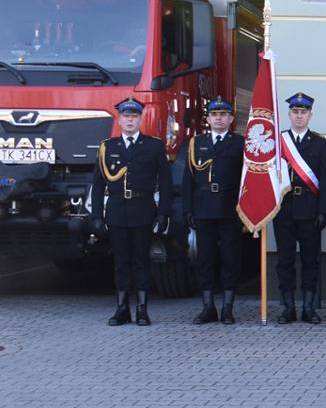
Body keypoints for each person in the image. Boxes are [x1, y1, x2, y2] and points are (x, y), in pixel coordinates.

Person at [93, 97, 171, 326]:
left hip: (143, 209)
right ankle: (122, 308)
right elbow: (98, 184)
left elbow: (165, 183)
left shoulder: (153, 146)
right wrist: (97, 215)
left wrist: (163, 213)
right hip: (117, 210)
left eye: (134, 117)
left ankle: (143, 309)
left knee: (141, 261)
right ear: (119, 119)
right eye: (126, 117)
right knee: (121, 262)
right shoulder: (108, 146)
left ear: (140, 119)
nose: (129, 121)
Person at [178, 97, 243, 325]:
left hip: (229, 207)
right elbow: (189, 179)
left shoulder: (240, 144)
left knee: (230, 258)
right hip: (203, 206)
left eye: (223, 114)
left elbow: (247, 180)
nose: (218, 118)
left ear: (231, 119)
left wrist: (244, 209)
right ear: (207, 119)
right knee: (204, 259)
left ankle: (227, 308)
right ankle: (208, 307)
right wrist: (188, 209)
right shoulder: (197, 143)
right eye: (214, 114)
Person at [274, 92, 326, 324]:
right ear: (289, 114)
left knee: (310, 260)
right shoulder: (278, 141)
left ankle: (308, 307)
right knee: (284, 260)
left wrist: (323, 211)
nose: (299, 116)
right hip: (284, 209)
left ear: (310, 115)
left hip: (309, 209)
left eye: (303, 112)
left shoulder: (319, 143)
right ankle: (288, 307)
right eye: (295, 112)